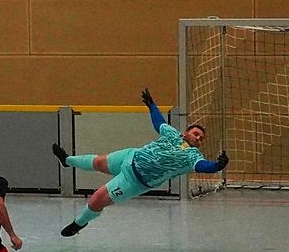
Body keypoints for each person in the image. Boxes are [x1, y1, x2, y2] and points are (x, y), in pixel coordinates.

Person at [53, 88, 229, 237]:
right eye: (196, 134)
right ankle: (67, 160)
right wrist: (152, 105)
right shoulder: (173, 134)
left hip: (134, 181)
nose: (198, 138)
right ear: (186, 133)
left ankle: (79, 223)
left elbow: (203, 166)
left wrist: (217, 166)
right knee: (98, 162)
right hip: (130, 156)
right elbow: (159, 122)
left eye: (201, 138)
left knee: (97, 199)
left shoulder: (193, 156)